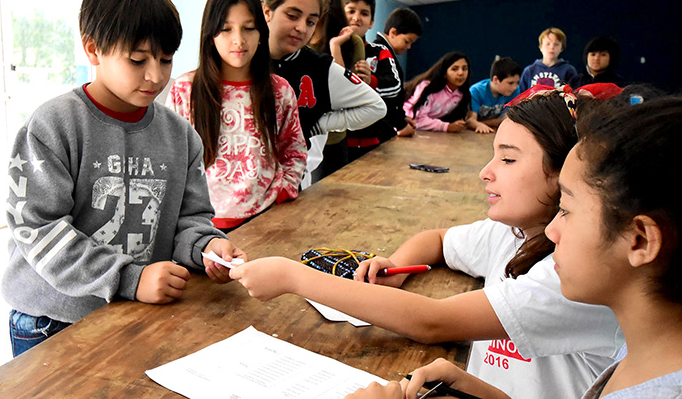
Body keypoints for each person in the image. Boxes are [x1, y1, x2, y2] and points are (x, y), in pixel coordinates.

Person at [229, 86, 626, 398]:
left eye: (507, 159)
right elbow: (437, 239)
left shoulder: (574, 273)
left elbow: (431, 321)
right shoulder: (512, 231)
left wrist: (293, 277)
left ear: (566, 174)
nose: (485, 173)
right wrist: (396, 264)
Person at [350, 95, 682, 399]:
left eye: (566, 209)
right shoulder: (644, 359)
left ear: (640, 240)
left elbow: (431, 320)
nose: (553, 229)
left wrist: (296, 279)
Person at [3, 0, 246, 357]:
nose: (156, 76)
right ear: (93, 50)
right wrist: (129, 278)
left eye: (166, 60)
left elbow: (190, 219)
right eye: (137, 60)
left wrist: (207, 247)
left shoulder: (180, 136)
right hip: (52, 320)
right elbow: (39, 230)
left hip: (135, 311)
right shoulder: (54, 126)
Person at [165, 0, 306, 231]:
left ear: (261, 33)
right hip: (203, 227)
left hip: (266, 219)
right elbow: (171, 161)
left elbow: (293, 150)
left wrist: (283, 191)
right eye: (226, 29)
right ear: (211, 35)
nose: (238, 40)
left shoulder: (279, 91)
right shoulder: (185, 90)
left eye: (249, 28)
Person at [263, 0, 386, 187]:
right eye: (292, 16)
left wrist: (318, 125)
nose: (301, 28)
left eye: (311, 21)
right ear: (267, 12)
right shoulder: (244, 61)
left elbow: (376, 106)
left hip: (293, 188)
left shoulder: (320, 66)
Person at [306, 0, 365, 180]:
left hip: (332, 138)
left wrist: (334, 47)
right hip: (299, 137)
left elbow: (342, 94)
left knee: (328, 207)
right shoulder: (296, 39)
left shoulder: (351, 42)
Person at [345, 0, 422, 160]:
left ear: (371, 22)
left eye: (364, 13)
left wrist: (401, 118)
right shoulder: (378, 52)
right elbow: (389, 93)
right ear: (393, 33)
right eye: (407, 41)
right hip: (358, 133)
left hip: (372, 132)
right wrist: (400, 124)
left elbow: (393, 93)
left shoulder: (378, 52)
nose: (408, 47)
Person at [404, 51, 493, 134]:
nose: (461, 73)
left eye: (465, 69)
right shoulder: (428, 88)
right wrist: (446, 127)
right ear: (444, 73)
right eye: (454, 69)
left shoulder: (462, 94)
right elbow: (417, 120)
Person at [469, 56, 521, 129]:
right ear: (496, 79)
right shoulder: (476, 92)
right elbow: (470, 121)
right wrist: (478, 124)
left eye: (517, 82)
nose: (515, 87)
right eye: (510, 83)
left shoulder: (514, 91)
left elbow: (507, 120)